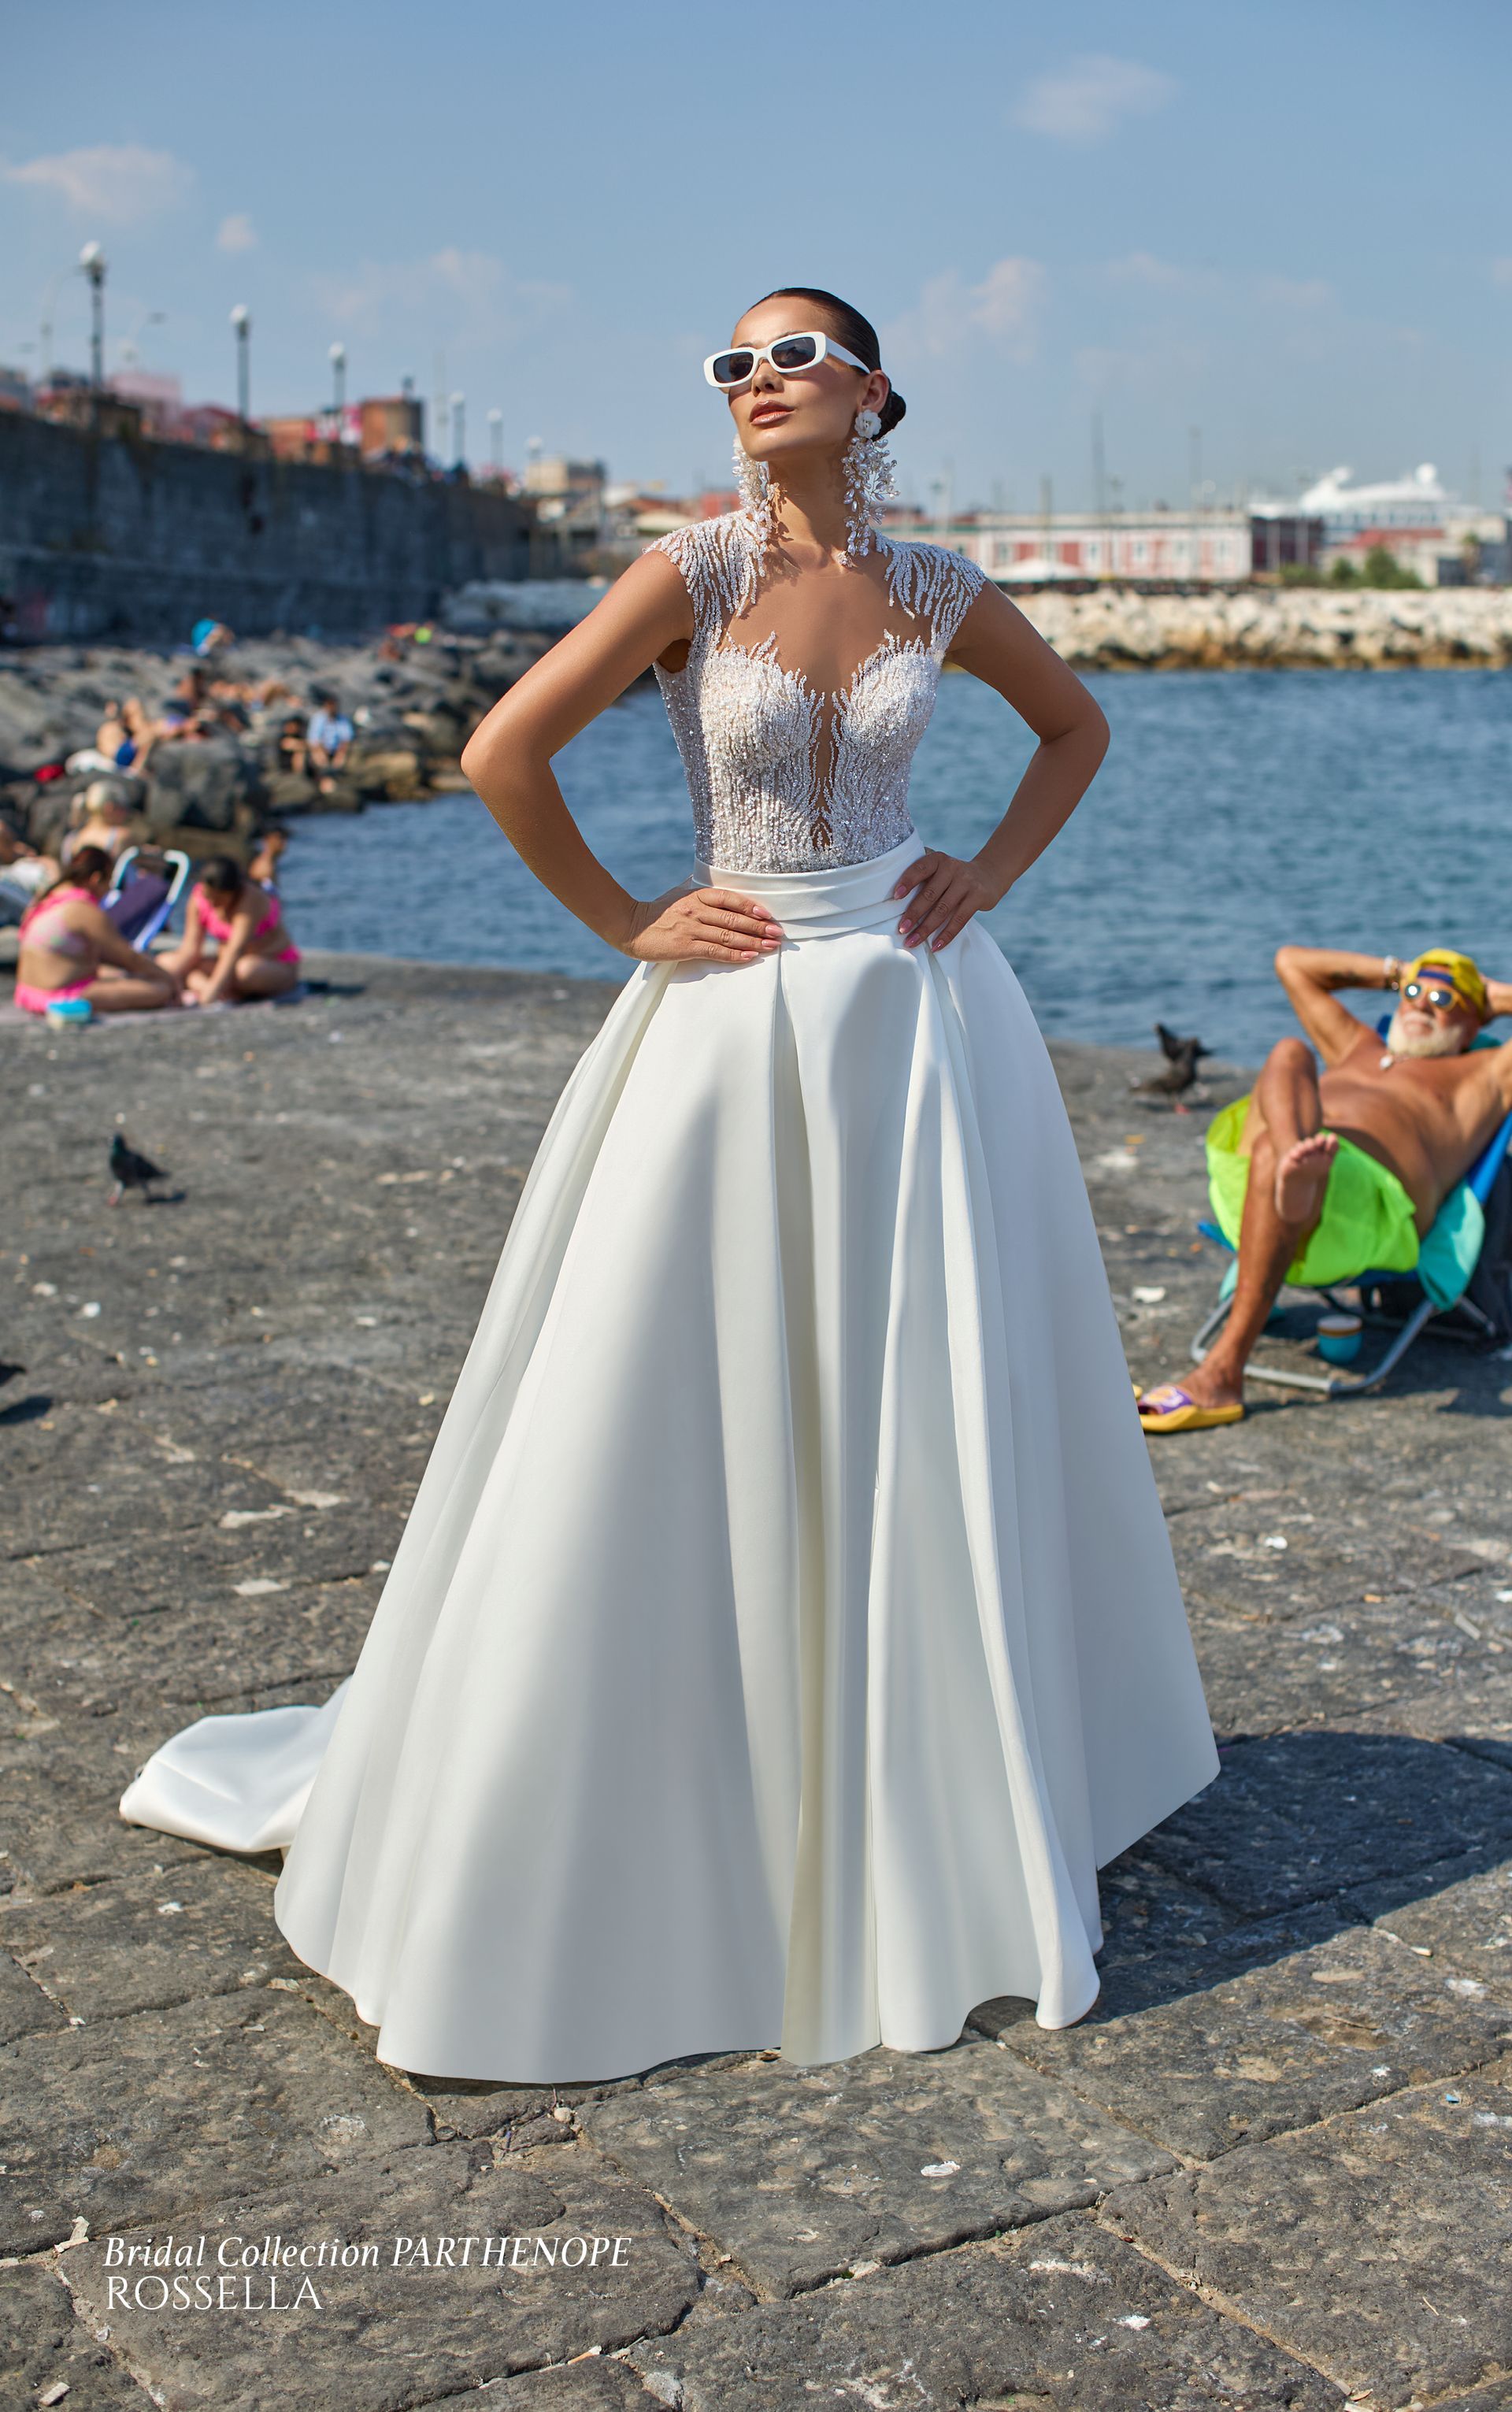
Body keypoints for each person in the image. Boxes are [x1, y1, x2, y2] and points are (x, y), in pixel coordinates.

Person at [120, 285, 1218, 2083]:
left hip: (916, 1016)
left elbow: (1075, 730)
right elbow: (502, 751)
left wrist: (988, 874)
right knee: (669, 1392)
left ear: (871, 392)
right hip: (733, 1011)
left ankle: (934, 1790)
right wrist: (628, 916)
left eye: (794, 355)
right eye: (734, 363)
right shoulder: (686, 572)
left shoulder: (937, 586)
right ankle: (665, 1804)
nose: (758, 381)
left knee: (913, 1405)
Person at [1137, 944, 1512, 1432]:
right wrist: (1401, 973)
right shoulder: (1359, 1046)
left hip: (1369, 1206)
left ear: (1473, 1020)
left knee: (1276, 1151)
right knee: (1289, 1053)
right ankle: (1296, 1174)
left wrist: (1490, 997)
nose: (1421, 1004)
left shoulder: (1486, 1074)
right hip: (1264, 1178)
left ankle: (1223, 1371)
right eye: (1413, 993)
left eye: (1443, 1001)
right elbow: (1290, 963)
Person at [13, 846, 180, 1016]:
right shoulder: (82, 908)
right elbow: (130, 958)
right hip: (60, 997)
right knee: (161, 989)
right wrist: (169, 979)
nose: (109, 890)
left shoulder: (46, 899)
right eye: (108, 883)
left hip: (27, 993)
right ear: (96, 879)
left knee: (117, 974)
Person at [158, 854, 301, 1004]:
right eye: (209, 896)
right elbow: (190, 949)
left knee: (245, 971)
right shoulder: (199, 897)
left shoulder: (250, 899)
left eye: (219, 899)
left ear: (234, 892)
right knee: (166, 962)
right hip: (228, 964)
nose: (213, 903)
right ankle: (221, 992)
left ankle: (211, 991)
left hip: (269, 963)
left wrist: (211, 994)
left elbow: (235, 950)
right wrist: (170, 978)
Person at [306, 691, 353, 790]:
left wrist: (340, 755)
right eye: (329, 705)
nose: (332, 708)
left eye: (333, 705)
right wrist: (321, 753)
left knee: (340, 761)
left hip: (336, 751)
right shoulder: (318, 719)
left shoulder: (343, 719)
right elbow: (314, 740)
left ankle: (330, 783)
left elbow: (346, 739)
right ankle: (325, 783)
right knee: (320, 761)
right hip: (320, 751)